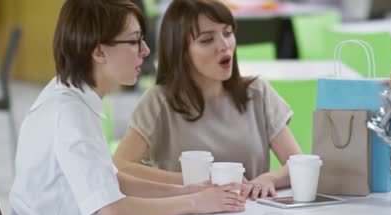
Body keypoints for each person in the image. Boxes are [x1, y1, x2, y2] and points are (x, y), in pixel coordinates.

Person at [6, 1, 247, 215]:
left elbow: (109, 180)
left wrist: (187, 191)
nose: (145, 51)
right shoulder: (71, 115)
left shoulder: (65, 94)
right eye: (134, 42)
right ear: (99, 51)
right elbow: (112, 211)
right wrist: (195, 203)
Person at [114, 0, 302, 201]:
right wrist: (193, 183)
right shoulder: (159, 101)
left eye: (228, 33)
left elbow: (299, 164)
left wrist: (270, 178)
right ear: (181, 52)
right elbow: (120, 166)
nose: (224, 45)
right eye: (206, 40)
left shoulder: (258, 93)